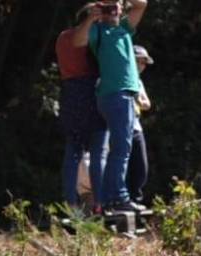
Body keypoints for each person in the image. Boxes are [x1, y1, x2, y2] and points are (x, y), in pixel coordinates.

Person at [74, 0, 149, 214]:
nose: (113, 10)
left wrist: (119, 2)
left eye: (116, 6)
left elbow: (142, 5)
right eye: (108, 7)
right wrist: (92, 16)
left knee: (119, 149)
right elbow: (78, 41)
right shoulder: (98, 30)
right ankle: (118, 197)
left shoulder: (124, 28)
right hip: (116, 94)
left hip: (122, 95)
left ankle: (109, 198)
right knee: (121, 149)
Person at [56, 9, 107, 211]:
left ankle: (71, 203)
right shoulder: (84, 37)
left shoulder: (62, 36)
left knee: (73, 151)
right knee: (97, 152)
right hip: (89, 91)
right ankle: (99, 202)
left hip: (69, 92)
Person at [126, 45, 153, 205]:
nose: (142, 66)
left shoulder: (138, 82)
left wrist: (137, 98)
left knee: (141, 166)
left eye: (144, 63)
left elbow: (146, 104)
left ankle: (136, 198)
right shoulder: (122, 78)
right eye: (139, 61)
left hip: (136, 126)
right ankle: (123, 199)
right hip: (122, 125)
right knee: (123, 164)